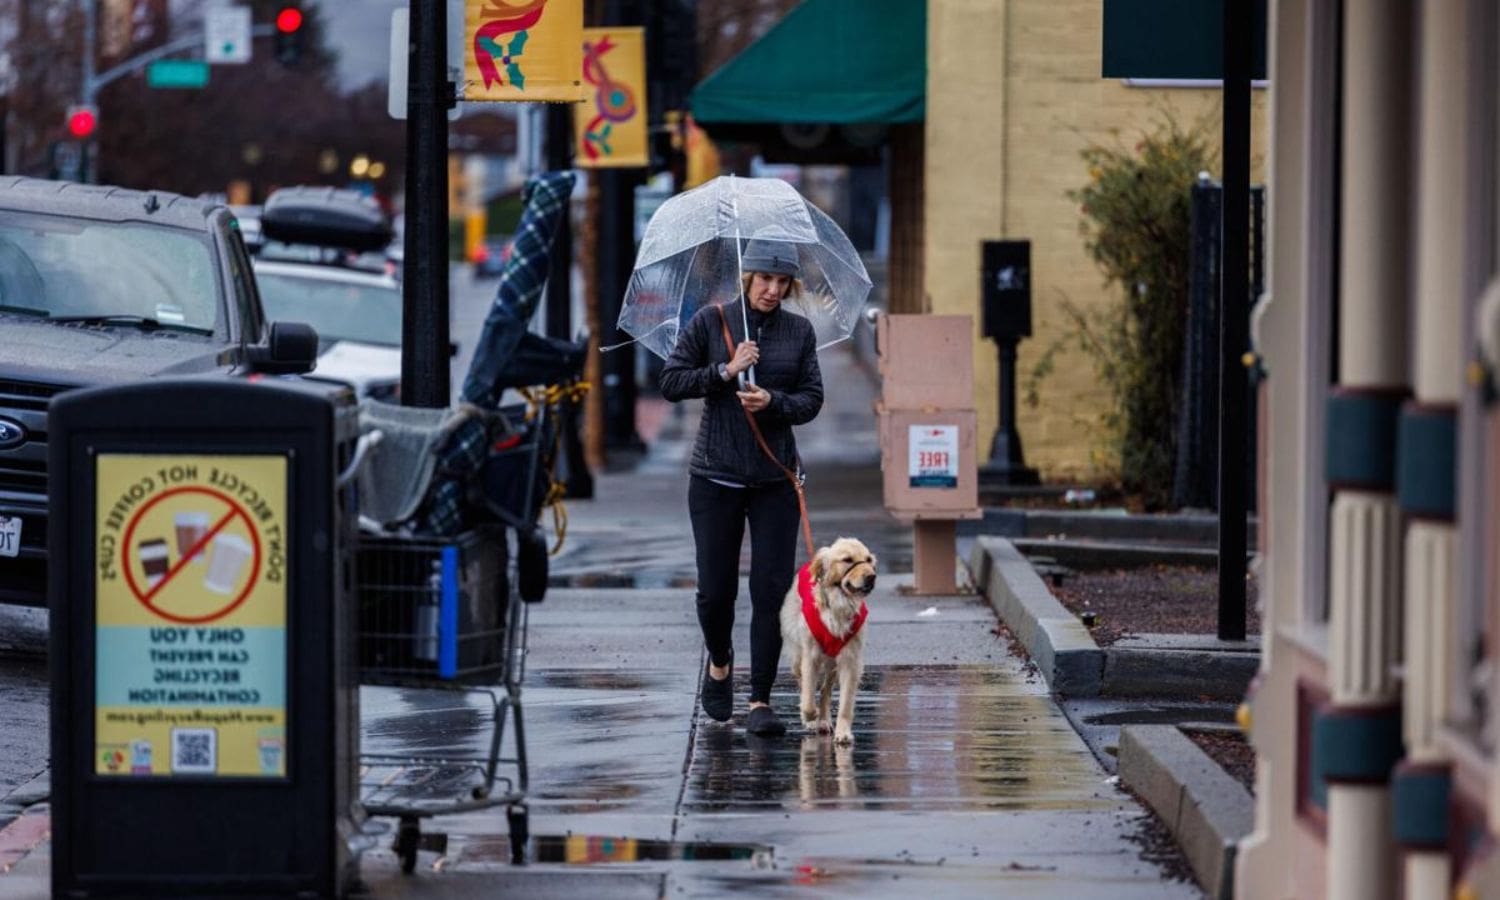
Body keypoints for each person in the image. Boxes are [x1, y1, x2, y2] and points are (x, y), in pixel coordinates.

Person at [659, 239, 825, 736]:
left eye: (781, 283)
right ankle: (720, 660)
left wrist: (773, 401)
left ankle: (759, 699)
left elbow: (811, 398)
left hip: (774, 479)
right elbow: (672, 382)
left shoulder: (799, 332)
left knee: (771, 591)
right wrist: (724, 371)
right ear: (747, 278)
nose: (772, 290)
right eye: (764, 280)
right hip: (716, 475)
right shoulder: (713, 323)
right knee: (715, 593)